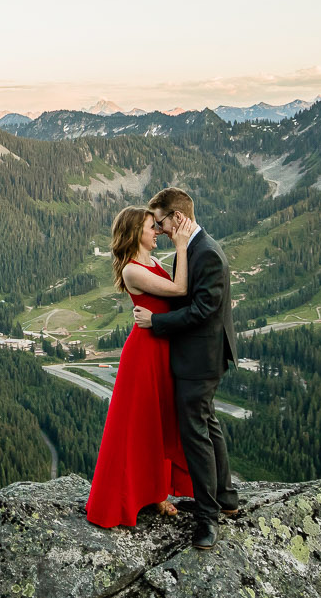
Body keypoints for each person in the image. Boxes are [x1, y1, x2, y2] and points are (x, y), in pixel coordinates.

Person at [133, 186, 240, 550]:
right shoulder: (195, 247)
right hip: (200, 356)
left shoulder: (206, 253)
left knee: (195, 433)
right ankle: (225, 498)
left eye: (161, 222)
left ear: (177, 218)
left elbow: (202, 311)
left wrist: (155, 323)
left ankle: (207, 520)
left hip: (201, 359)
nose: (159, 230)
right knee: (208, 424)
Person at [86, 206, 193, 528]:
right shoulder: (133, 270)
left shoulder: (153, 262)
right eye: (151, 227)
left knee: (157, 421)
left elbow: (175, 297)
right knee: (137, 424)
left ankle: (157, 492)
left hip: (160, 346)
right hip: (144, 353)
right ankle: (123, 499)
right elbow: (179, 290)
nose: (156, 232)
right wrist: (182, 245)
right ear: (136, 233)